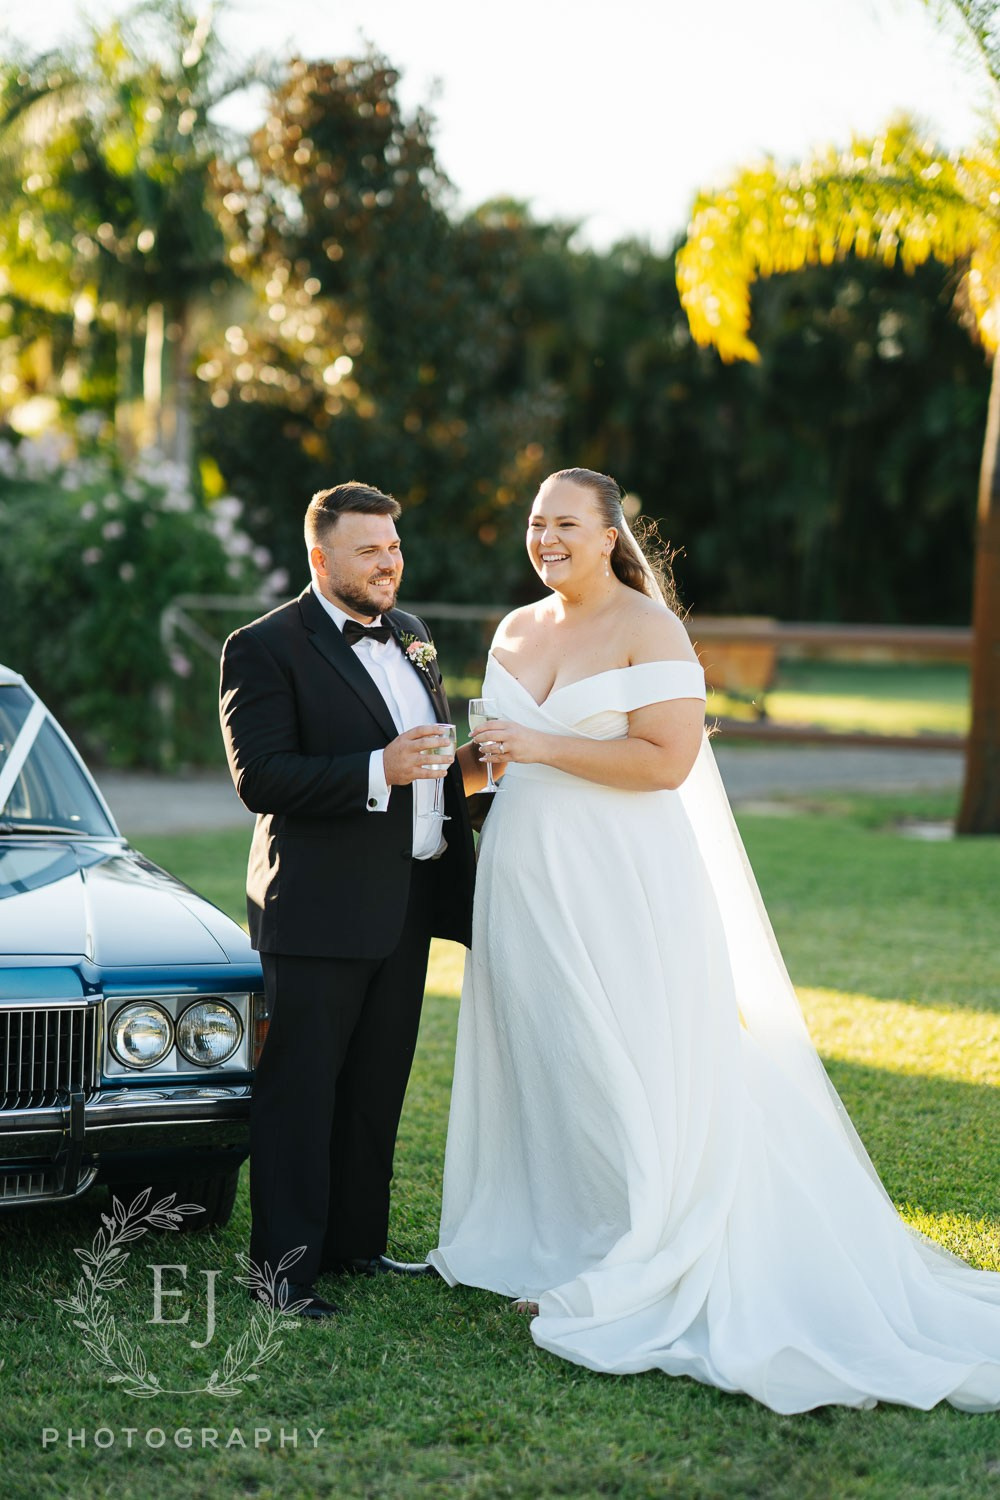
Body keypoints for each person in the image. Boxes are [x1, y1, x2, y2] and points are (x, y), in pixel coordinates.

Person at [428, 465, 1000, 1412]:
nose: (547, 539)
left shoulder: (650, 629)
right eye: (536, 523)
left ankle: (641, 1244)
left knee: (631, 1060)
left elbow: (667, 761)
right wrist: (460, 772)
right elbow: (497, 760)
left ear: (611, 535)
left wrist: (542, 746)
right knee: (551, 1056)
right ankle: (562, 1238)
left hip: (621, 883)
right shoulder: (514, 630)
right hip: (521, 880)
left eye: (566, 523)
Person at [221, 481, 474, 1318]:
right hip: (318, 910)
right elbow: (261, 778)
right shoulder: (263, 646)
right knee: (301, 1094)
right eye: (371, 550)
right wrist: (380, 769)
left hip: (404, 902)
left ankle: (355, 1246)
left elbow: (424, 761)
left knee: (375, 1085)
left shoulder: (411, 634)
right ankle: (282, 1278)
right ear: (321, 558)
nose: (389, 564)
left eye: (395, 548)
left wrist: (476, 767)